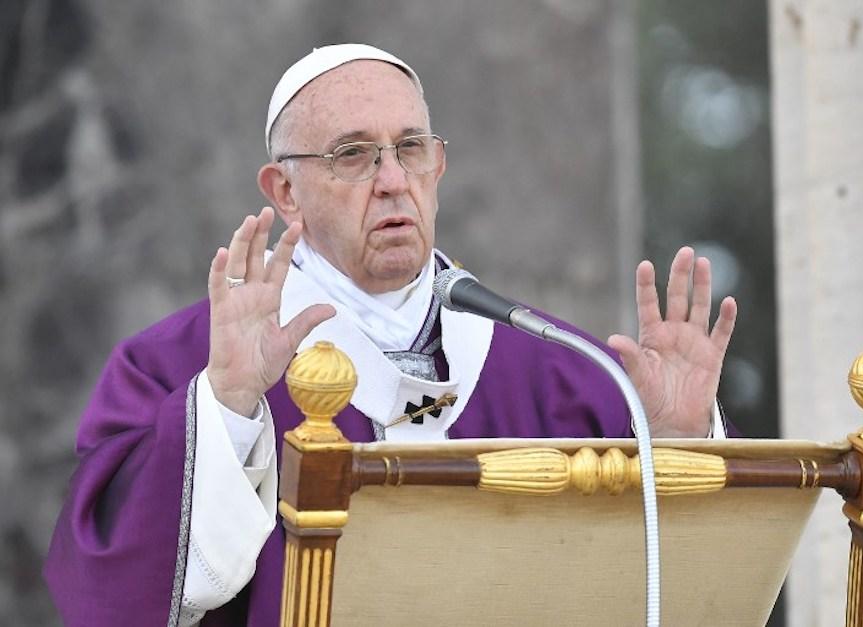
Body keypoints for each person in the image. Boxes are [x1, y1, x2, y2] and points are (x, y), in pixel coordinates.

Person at [44, 44, 738, 626]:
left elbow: (674, 595)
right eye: (353, 154)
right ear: (285, 193)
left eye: (410, 148)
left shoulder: (564, 369)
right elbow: (106, 587)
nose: (393, 181)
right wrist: (226, 409)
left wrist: (677, 442)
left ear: (438, 165)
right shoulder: (182, 362)